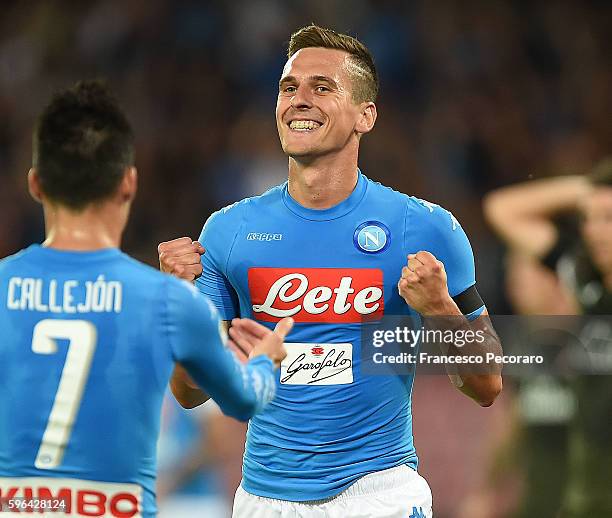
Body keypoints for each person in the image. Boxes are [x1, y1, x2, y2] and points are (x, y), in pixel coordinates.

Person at [159, 25, 503, 518]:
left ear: (366, 115)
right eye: (288, 88)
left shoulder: (425, 228)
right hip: (263, 500)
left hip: (378, 494)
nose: (299, 99)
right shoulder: (228, 231)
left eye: (322, 87)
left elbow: (487, 385)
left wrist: (440, 309)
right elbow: (189, 392)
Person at [0, 80, 292, 518]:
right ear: (128, 184)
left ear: (36, 184)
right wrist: (265, 363)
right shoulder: (169, 302)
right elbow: (243, 400)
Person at [484, 158, 612, 517]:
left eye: (608, 219)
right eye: (589, 218)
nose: (595, 231)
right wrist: (589, 188)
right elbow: (502, 209)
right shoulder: (586, 285)